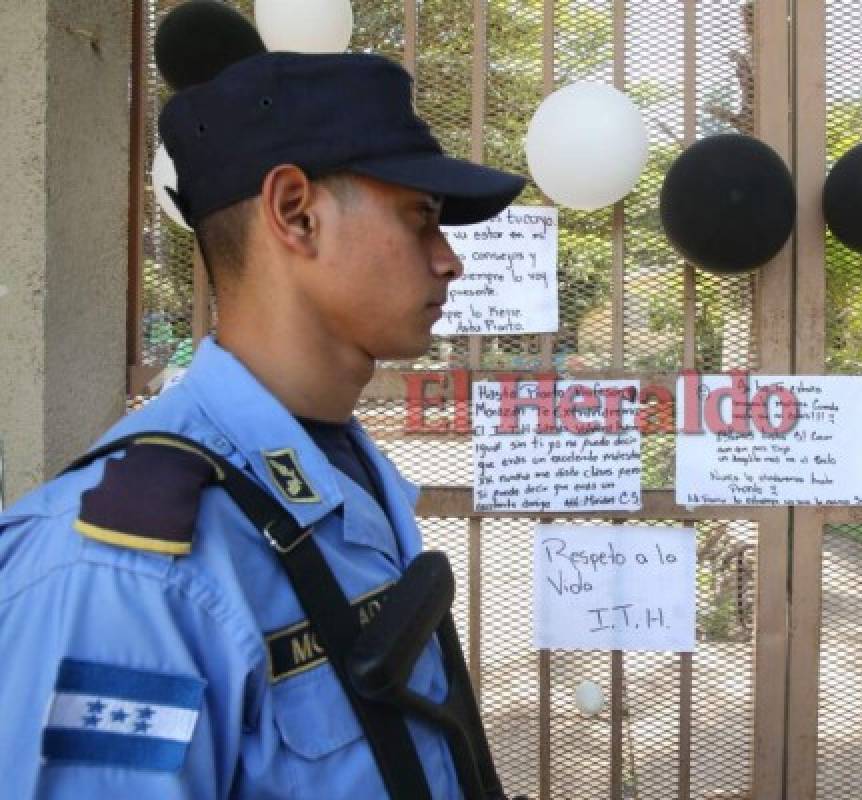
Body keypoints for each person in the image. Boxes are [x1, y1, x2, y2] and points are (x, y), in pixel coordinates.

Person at [0, 10, 524, 798]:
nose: (448, 259)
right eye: (420, 215)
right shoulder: (123, 573)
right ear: (295, 212)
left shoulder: (348, 470)